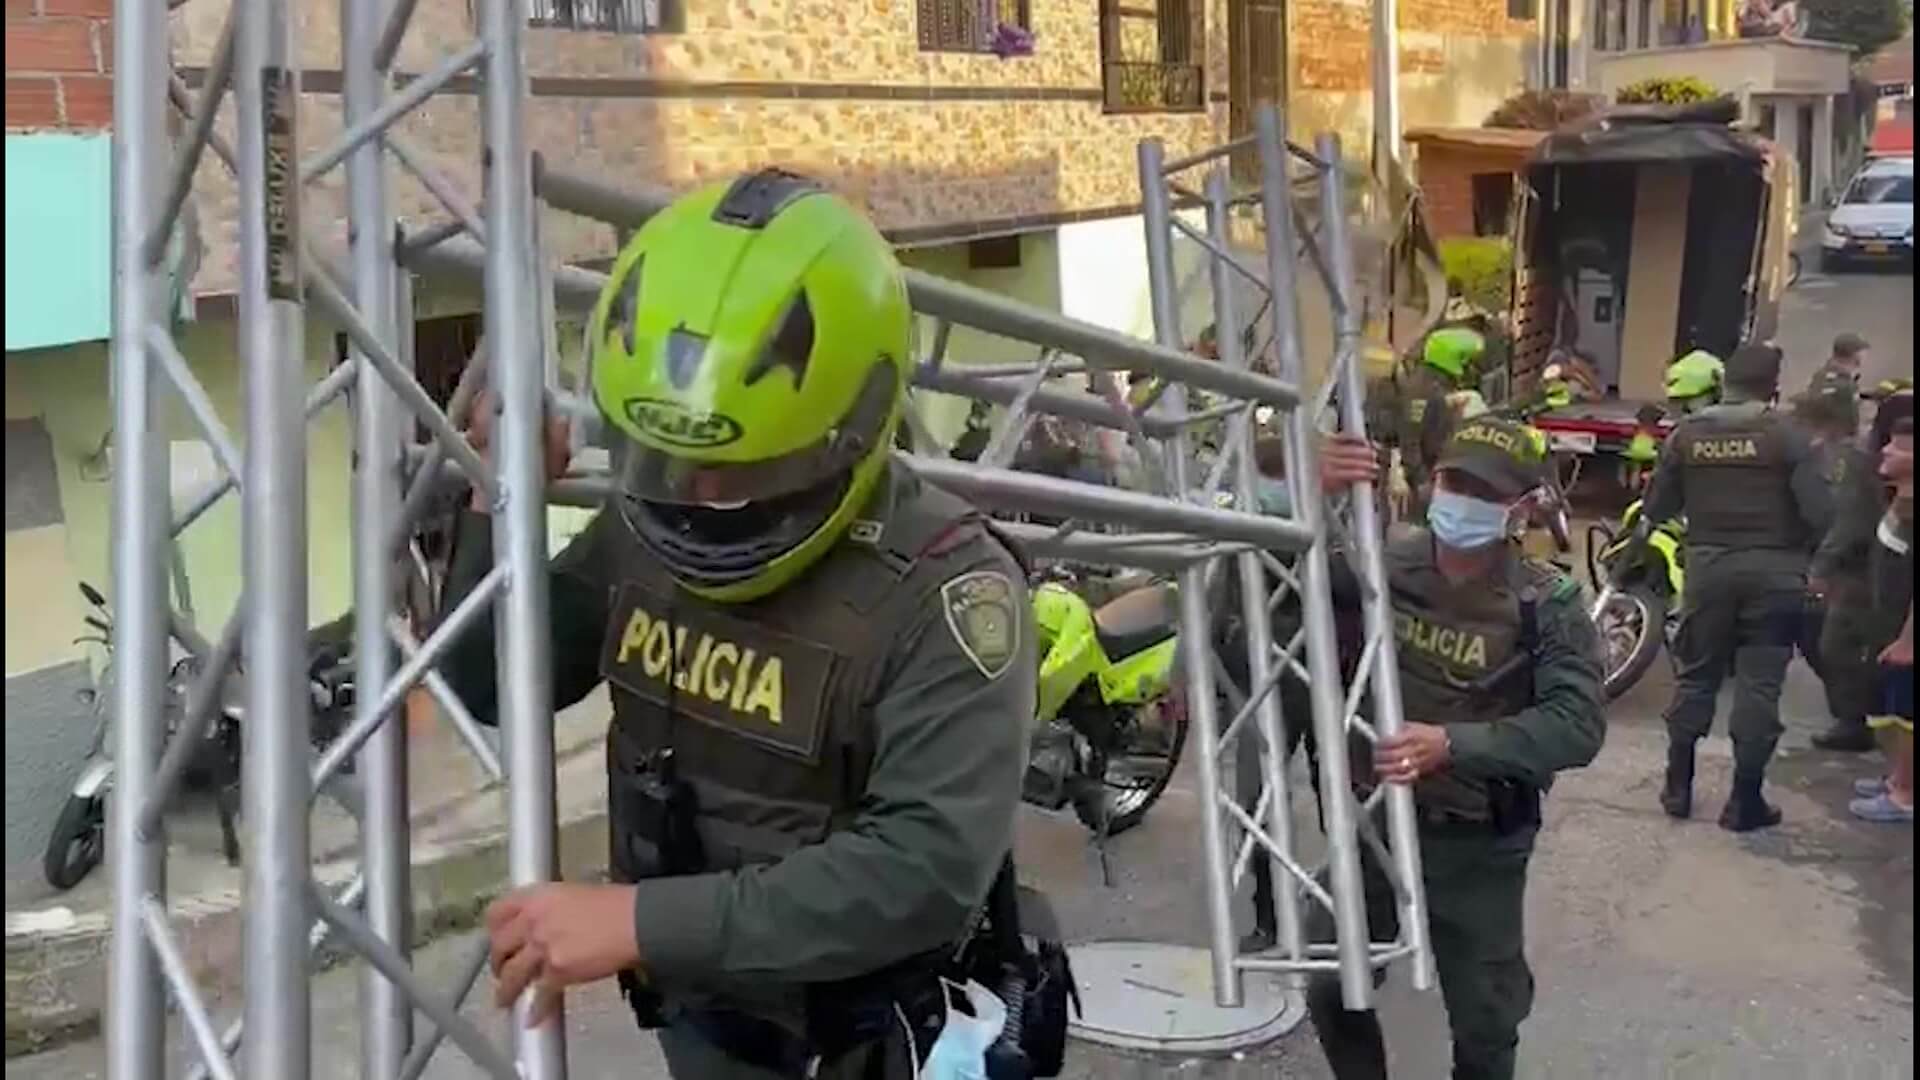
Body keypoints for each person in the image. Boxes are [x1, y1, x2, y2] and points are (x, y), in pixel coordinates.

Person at [445, 171, 1040, 1078]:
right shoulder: (650, 524)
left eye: (746, 471)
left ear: (850, 426)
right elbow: (492, 682)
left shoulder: (948, 589)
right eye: (672, 462)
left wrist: (636, 922)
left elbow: (920, 873)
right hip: (707, 1019)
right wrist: (499, 503)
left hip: (869, 1043)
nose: (702, 501)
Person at [1291, 419, 1606, 1080]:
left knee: (1486, 1023)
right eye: (1454, 481)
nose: (1462, 500)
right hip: (1379, 824)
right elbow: (1287, 582)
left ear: (1522, 507)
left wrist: (1452, 745)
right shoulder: (1384, 565)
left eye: (1483, 491)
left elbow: (1577, 725)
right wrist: (1315, 493)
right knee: (1328, 976)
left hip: (1479, 842)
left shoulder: (1544, 602)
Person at [1642, 343, 1834, 831]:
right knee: (1759, 685)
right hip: (1775, 579)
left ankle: (1677, 786)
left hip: (1708, 574)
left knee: (1697, 676)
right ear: (1772, 385)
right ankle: (1743, 802)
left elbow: (1658, 505)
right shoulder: (1787, 436)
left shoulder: (1686, 435)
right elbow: (1821, 513)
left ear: (1725, 381)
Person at [1803, 378, 1880, 752]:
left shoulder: (1853, 458)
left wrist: (1821, 566)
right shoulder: (1832, 452)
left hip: (1858, 566)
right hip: (1850, 562)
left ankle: (1855, 721)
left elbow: (1850, 519)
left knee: (1838, 643)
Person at [1850, 419, 1914, 823]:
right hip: (1885, 625)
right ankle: (1897, 778)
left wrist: (1910, 640)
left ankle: (1905, 794)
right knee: (1887, 709)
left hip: (1905, 633)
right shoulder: (1900, 502)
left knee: (1907, 714)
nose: (1887, 450)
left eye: (1900, 447)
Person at [1377, 325, 1488, 521]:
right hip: (1426, 480)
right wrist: (1422, 482)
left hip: (1440, 474)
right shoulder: (1422, 390)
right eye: (1466, 361)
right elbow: (1410, 438)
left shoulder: (1439, 383)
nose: (1469, 367)